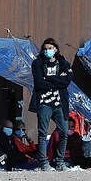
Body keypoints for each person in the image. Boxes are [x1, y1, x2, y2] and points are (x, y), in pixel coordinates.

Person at [29, 37, 73, 171]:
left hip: (59, 103)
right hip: (44, 102)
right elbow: (39, 83)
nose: (48, 51)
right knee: (42, 133)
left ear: (56, 49)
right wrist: (57, 81)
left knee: (64, 132)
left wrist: (48, 78)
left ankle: (60, 162)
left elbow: (66, 82)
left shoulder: (63, 63)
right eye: (45, 49)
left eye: (50, 48)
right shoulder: (37, 63)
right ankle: (44, 162)